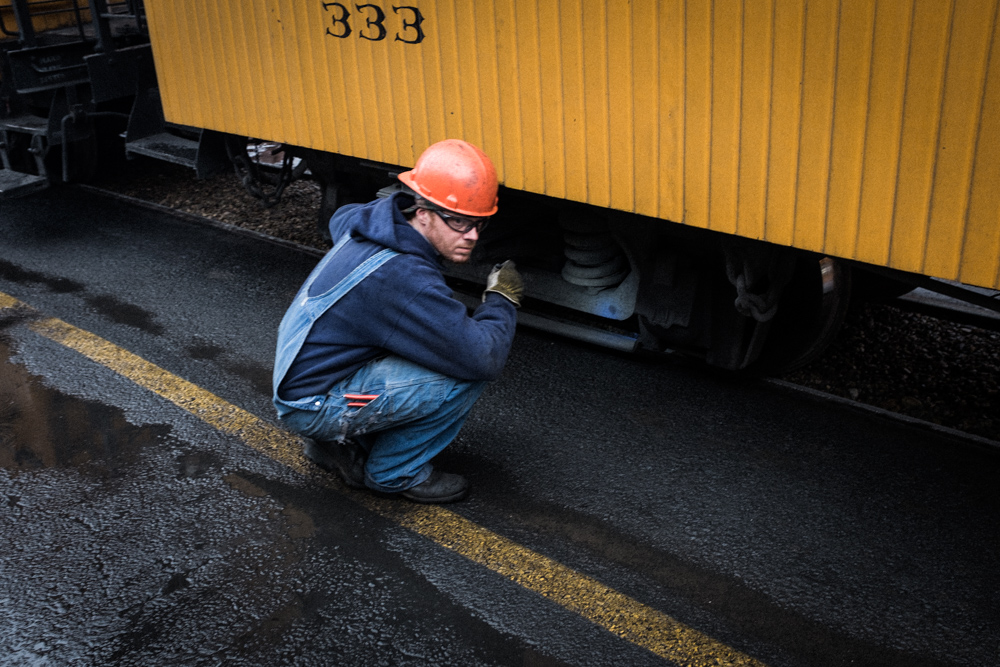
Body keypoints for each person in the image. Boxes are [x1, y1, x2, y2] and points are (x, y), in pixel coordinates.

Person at [272, 139, 522, 504]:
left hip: (303, 379)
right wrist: (503, 299)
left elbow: (341, 216)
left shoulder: (373, 222)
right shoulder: (404, 279)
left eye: (478, 224)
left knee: (429, 348)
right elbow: (483, 356)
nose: (470, 236)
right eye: (458, 222)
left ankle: (333, 447)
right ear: (422, 212)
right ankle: (394, 471)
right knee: (464, 372)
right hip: (313, 403)